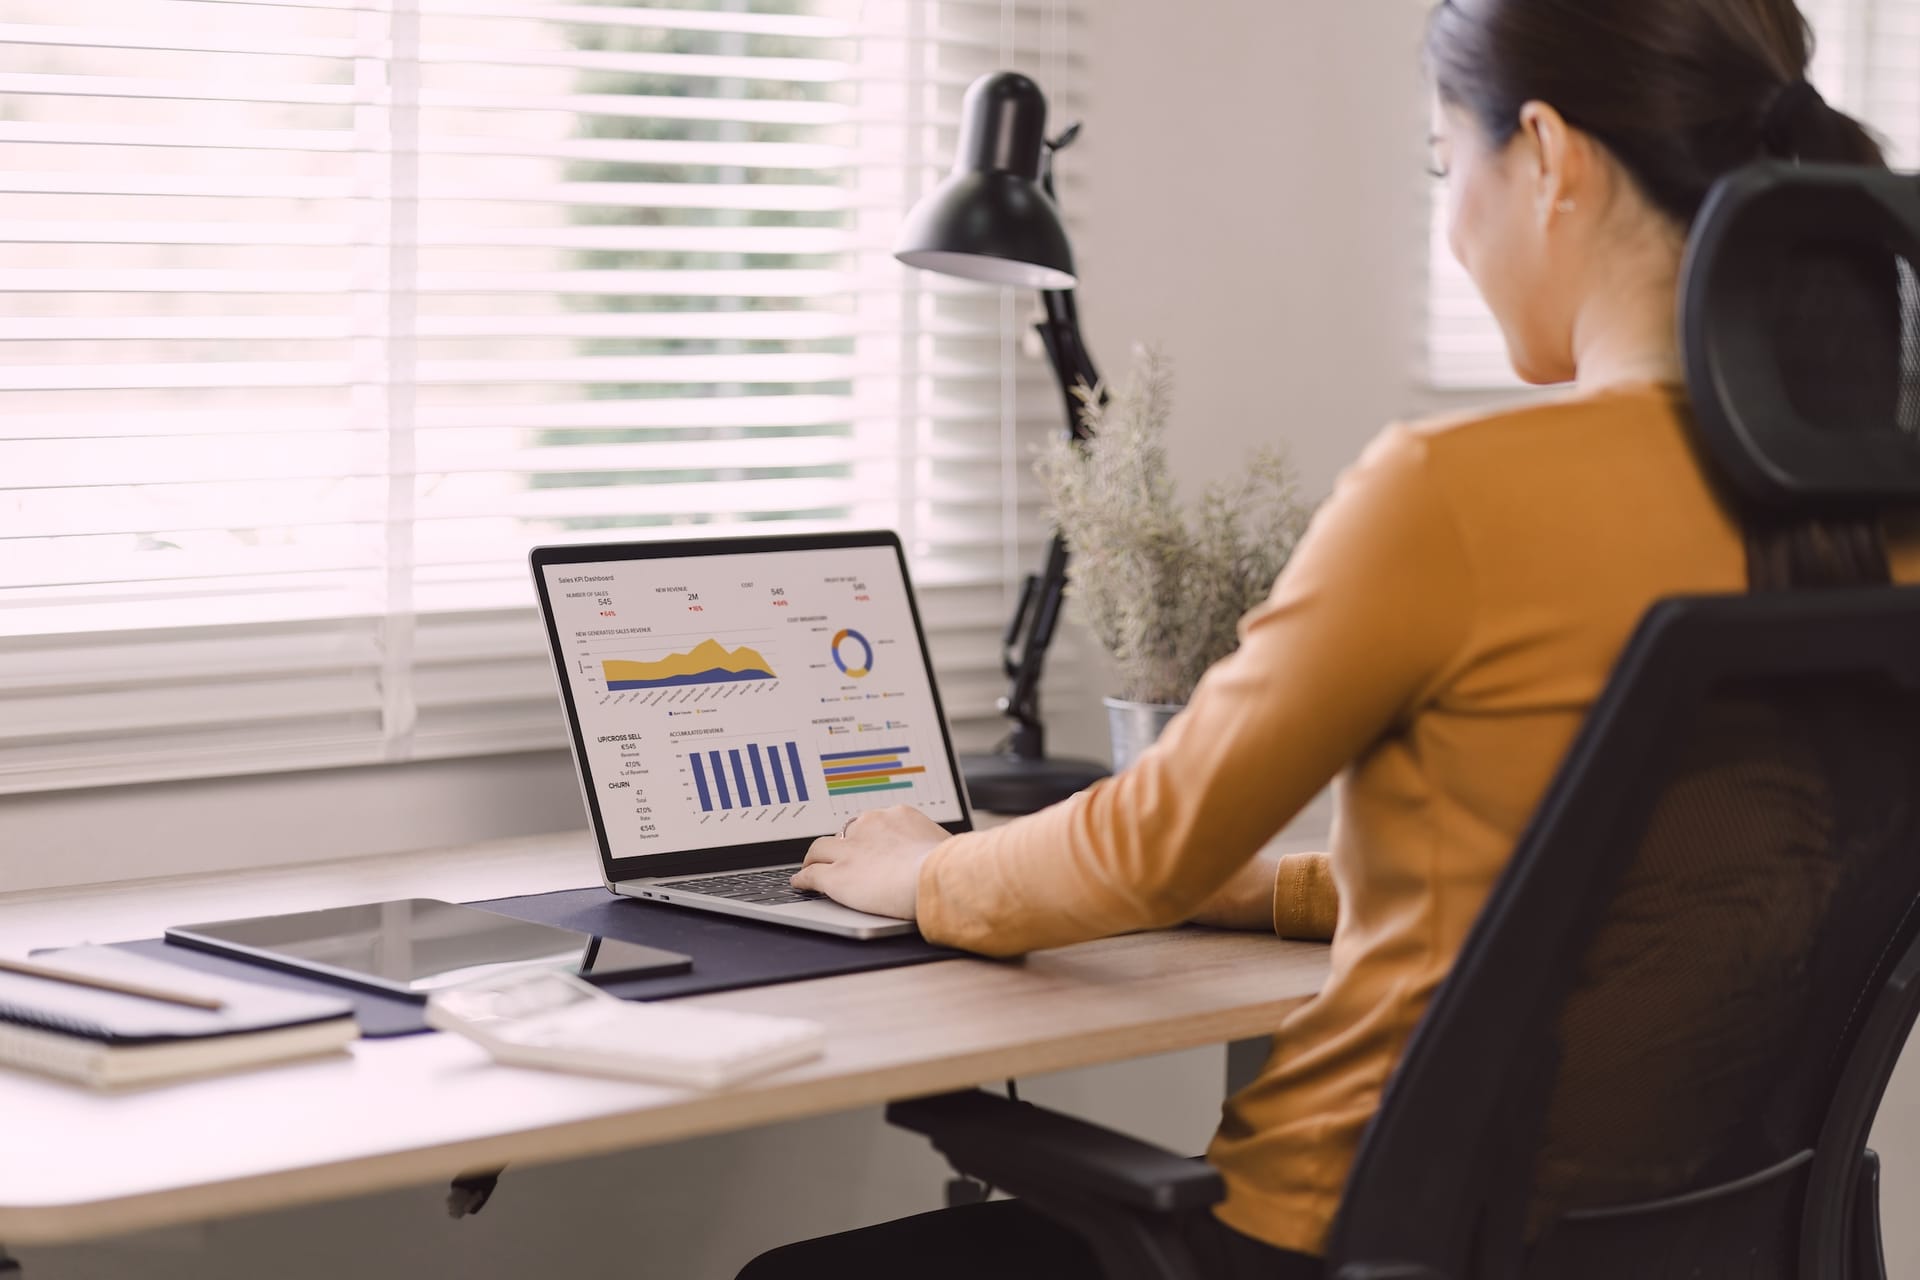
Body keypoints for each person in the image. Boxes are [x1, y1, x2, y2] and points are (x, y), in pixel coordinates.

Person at [739, 1, 1920, 1276]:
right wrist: (1270, 887)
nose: (1451, 222)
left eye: (1440, 164)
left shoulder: (1457, 493)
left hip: (1339, 1240)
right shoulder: (1886, 512)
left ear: (1546, 157)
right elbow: (1610, 865)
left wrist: (928, 873)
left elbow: (1144, 846)